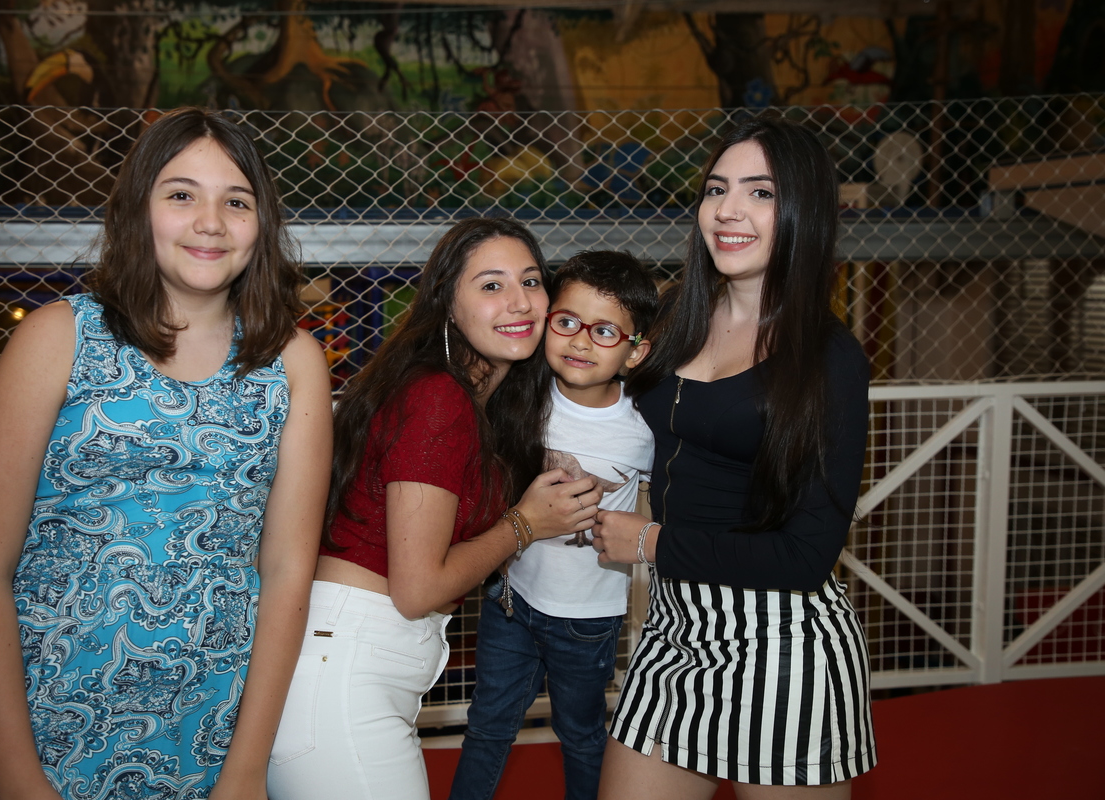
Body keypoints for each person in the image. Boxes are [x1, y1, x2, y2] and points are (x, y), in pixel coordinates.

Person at [0, 107, 332, 800]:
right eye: (181, 194)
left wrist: (245, 771)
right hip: (49, 727)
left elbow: (286, 572)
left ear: (261, 224)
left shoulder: (293, 362)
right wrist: (19, 779)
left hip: (212, 728)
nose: (210, 222)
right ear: (137, 210)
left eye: (236, 201)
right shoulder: (56, 338)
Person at [265, 217, 604, 800]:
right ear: (448, 303)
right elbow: (417, 589)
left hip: (354, 666)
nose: (520, 301)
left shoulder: (467, 402)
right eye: (491, 285)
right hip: (344, 674)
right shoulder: (438, 398)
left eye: (531, 281)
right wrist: (525, 524)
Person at [591, 115, 877, 799]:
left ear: (804, 211)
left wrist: (650, 541)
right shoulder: (675, 317)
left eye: (761, 192)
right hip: (673, 632)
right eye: (717, 189)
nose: (728, 209)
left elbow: (805, 555)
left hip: (782, 647)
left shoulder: (830, 359)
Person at [448, 249, 658, 800]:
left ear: (636, 352)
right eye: (567, 322)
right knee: (486, 727)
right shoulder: (521, 395)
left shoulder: (644, 428)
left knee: (581, 736)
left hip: (587, 617)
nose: (581, 342)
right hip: (509, 600)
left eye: (605, 331)